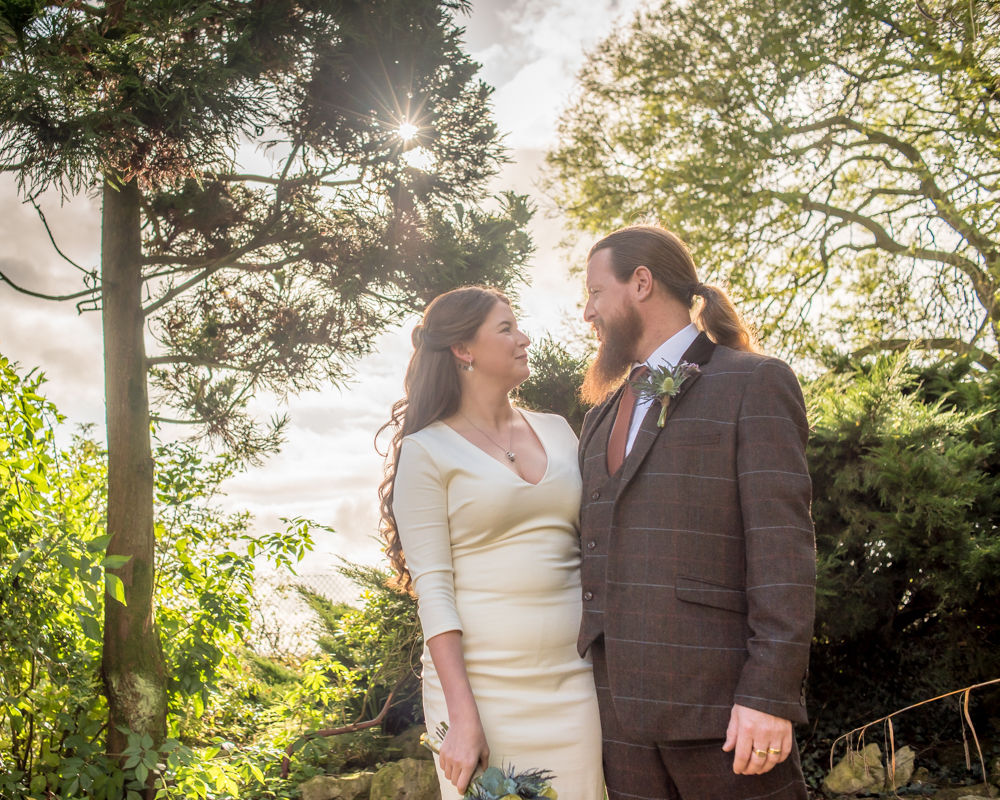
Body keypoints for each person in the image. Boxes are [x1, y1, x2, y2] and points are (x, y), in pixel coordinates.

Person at [576, 226, 816, 800]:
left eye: (595, 293)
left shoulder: (753, 381)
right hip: (620, 721)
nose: (588, 313)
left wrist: (769, 696)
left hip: (723, 711)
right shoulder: (599, 416)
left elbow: (782, 548)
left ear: (641, 283)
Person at [379, 286, 604, 800]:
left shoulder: (560, 431)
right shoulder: (427, 450)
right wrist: (463, 716)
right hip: (482, 695)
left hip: (576, 683)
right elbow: (433, 591)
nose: (524, 339)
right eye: (506, 329)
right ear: (463, 349)